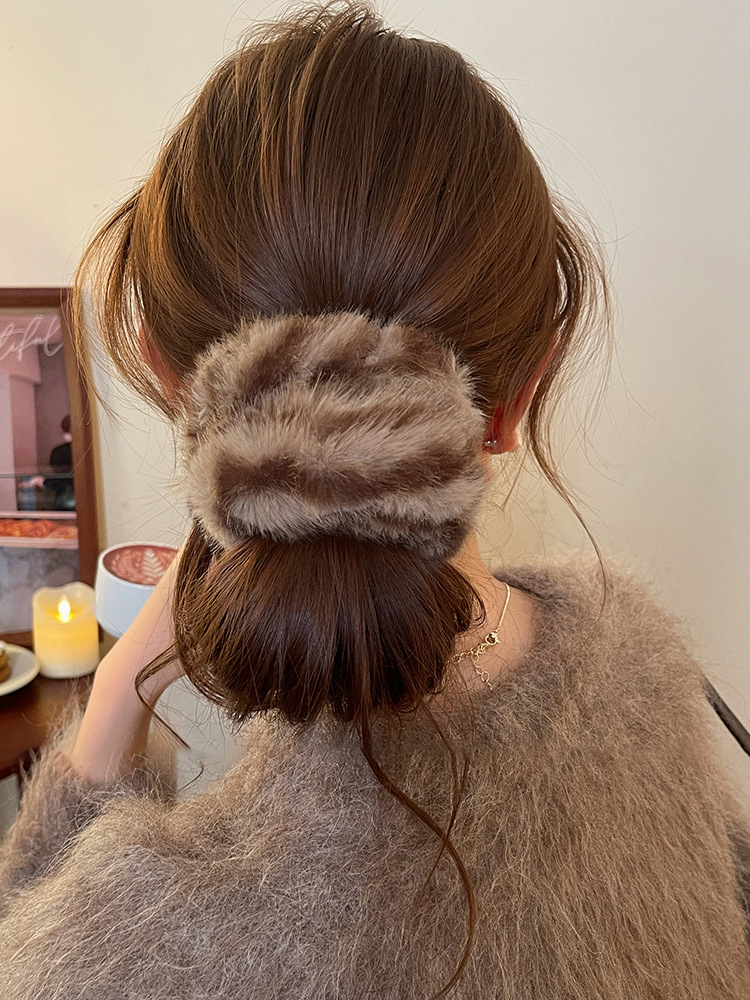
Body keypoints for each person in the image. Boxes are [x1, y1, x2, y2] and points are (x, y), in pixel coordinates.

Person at [2, 4, 749, 997]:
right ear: (519, 392)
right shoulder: (647, 671)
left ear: (176, 385)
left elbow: (29, 950)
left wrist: (118, 694)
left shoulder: (130, 947)